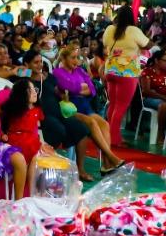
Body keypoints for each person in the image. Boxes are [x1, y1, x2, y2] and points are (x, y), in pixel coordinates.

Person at [23, 49, 122, 179]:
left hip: (58, 112)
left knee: (82, 128)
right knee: (58, 129)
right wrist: (26, 70)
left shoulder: (49, 77)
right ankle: (49, 164)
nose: (40, 65)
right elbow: (11, 72)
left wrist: (62, 96)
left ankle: (80, 169)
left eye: (40, 62)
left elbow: (59, 92)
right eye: (35, 63)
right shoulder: (24, 77)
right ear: (27, 64)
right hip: (42, 116)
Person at [101, 6, 149, 145]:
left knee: (113, 105)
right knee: (121, 106)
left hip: (110, 70)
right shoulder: (133, 30)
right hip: (127, 73)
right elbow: (148, 45)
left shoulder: (110, 29)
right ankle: (114, 140)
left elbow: (105, 43)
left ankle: (110, 136)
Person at [139, 49, 166, 127]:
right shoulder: (147, 71)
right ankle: (160, 132)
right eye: (164, 60)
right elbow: (146, 91)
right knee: (164, 105)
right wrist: (164, 97)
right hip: (148, 99)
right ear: (156, 60)